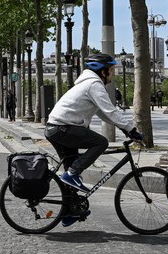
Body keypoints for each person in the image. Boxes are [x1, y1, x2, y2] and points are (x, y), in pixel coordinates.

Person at [44, 53, 143, 226]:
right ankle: (72, 173)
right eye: (111, 70)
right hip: (63, 128)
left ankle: (69, 211)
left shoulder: (87, 83)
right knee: (101, 142)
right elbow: (111, 111)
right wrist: (131, 129)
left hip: (56, 128)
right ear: (102, 71)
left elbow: (102, 113)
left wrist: (123, 128)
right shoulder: (93, 84)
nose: (113, 74)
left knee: (70, 169)